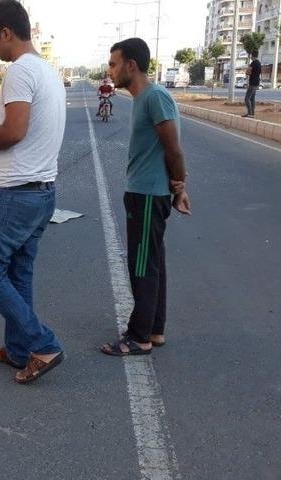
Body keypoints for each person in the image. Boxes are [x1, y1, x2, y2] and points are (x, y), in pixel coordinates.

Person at [0, 0, 65, 384]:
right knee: (18, 272)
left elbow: (15, 129)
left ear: (6, 32)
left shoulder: (20, 71)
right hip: (42, 192)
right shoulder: (47, 72)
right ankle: (20, 350)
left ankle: (43, 343)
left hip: (14, 196)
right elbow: (34, 134)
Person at [100, 37, 191, 356]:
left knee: (142, 266)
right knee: (152, 262)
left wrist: (178, 187)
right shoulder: (144, 99)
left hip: (148, 195)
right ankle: (154, 329)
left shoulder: (155, 97)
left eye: (113, 63)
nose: (109, 70)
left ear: (131, 65)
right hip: (145, 192)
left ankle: (139, 337)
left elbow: (174, 149)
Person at [243, 50, 261, 118]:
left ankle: (249, 113)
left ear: (252, 56)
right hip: (256, 83)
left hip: (252, 83)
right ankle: (252, 113)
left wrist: (248, 71)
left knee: (246, 99)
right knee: (252, 99)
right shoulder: (259, 63)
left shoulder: (253, 63)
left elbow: (247, 72)